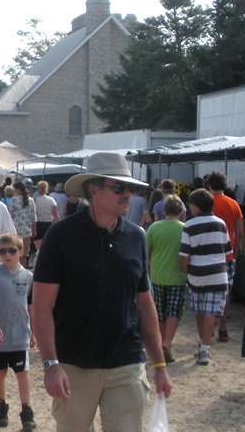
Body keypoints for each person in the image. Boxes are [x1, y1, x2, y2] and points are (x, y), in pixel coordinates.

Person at [32, 152, 172, 430]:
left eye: (130, 188)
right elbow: (41, 307)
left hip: (127, 363)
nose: (128, 194)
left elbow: (145, 305)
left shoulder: (136, 236)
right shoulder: (60, 236)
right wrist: (50, 365)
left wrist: (159, 366)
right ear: (93, 190)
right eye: (119, 188)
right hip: (74, 365)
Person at [0, 233, 37, 430]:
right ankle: (1, 406)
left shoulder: (28, 277)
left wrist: (34, 331)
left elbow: (31, 305)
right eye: (2, 251)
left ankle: (26, 411)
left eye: (12, 250)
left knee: (23, 372)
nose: (7, 254)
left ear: (21, 252)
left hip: (20, 334)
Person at [179, 188, 232, 366]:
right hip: (217, 274)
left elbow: (184, 255)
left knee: (200, 310)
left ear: (196, 206)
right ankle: (205, 348)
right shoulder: (221, 223)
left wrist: (187, 271)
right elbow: (227, 250)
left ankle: (202, 342)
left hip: (196, 274)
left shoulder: (190, 225)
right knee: (211, 312)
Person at [146, 195, 187, 364]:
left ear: (164, 210)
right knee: (174, 311)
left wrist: (149, 271)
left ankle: (162, 342)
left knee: (160, 313)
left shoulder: (154, 228)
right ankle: (167, 342)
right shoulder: (185, 228)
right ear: (181, 211)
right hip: (177, 276)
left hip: (157, 276)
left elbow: (147, 254)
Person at [208, 171, 244, 342]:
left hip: (208, 254)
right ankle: (223, 327)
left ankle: (209, 326)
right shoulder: (234, 205)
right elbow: (240, 233)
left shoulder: (206, 203)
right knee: (225, 292)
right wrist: (235, 253)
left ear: (209, 185)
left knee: (208, 291)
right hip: (227, 255)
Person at [32, 180, 59, 262]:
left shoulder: (34, 200)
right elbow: (55, 215)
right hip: (48, 224)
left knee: (39, 249)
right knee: (47, 247)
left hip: (37, 225)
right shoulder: (51, 200)